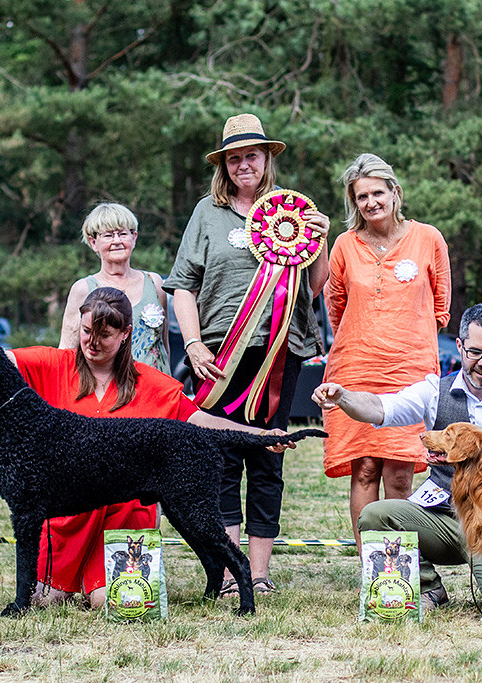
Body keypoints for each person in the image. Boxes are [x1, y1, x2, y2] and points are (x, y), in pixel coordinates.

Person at [0, 287, 291, 609]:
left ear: (126, 334)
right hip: (68, 525)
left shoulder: (150, 380)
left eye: (104, 335)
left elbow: (198, 421)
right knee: (47, 602)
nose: (92, 342)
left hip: (124, 516)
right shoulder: (53, 362)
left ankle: (228, 579)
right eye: (86, 332)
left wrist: (260, 437)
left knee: (114, 603)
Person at [164, 112, 330, 597]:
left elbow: (315, 287)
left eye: (251, 156)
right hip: (218, 354)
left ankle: (259, 574)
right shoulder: (206, 213)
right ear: (224, 164)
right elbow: (182, 286)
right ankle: (232, 572)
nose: (244, 165)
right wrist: (192, 344)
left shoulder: (296, 212)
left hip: (283, 352)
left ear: (266, 159)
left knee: (268, 458)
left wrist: (320, 238)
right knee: (218, 459)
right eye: (234, 158)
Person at [312, 303, 482, 614]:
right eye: (475, 352)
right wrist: (344, 397)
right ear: (460, 346)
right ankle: (428, 587)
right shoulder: (434, 391)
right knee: (375, 515)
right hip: (444, 518)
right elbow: (381, 408)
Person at [321, 153, 451, 547]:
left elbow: (442, 306)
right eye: (361, 197)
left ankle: (401, 563)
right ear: (353, 202)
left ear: (395, 192)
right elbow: (336, 306)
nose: (371, 202)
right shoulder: (344, 245)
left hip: (410, 371)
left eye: (377, 192)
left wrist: (405, 336)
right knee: (364, 469)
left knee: (400, 472)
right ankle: (370, 568)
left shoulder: (428, 238)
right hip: (355, 368)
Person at [59, 203, 170, 373]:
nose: (117, 241)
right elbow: (67, 352)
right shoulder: (83, 289)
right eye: (109, 235)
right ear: (93, 242)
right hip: (109, 392)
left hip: (156, 392)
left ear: (134, 238)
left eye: (123, 234)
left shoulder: (155, 284)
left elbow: (163, 345)